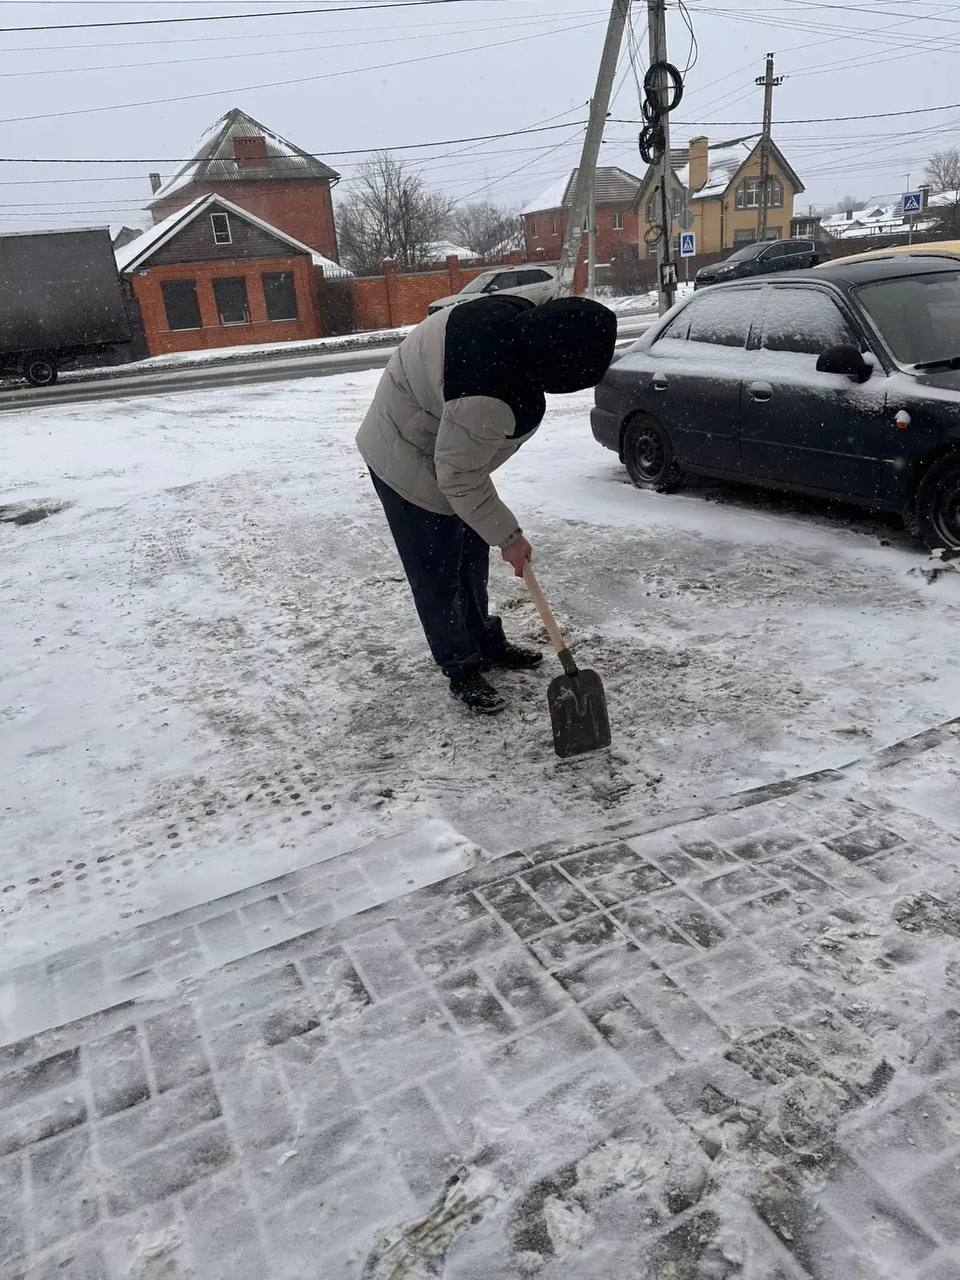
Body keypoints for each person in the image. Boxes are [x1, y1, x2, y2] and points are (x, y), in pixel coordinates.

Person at [357, 292, 617, 714]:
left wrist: (495, 531)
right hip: (403, 453)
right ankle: (460, 665)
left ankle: (483, 639)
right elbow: (459, 477)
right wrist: (510, 538)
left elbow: (463, 469)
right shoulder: (486, 392)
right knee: (438, 570)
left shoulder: (518, 321)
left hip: (444, 439)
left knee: (470, 554)